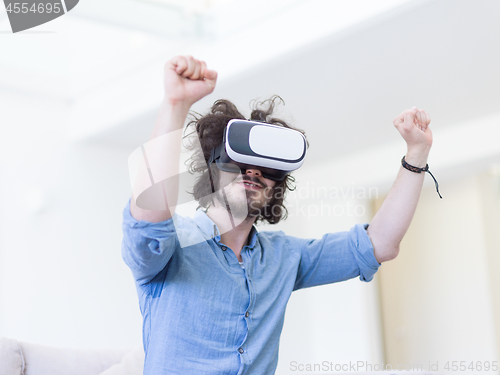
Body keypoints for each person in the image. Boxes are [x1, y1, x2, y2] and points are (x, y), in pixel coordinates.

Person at [121, 55, 434, 375]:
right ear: (214, 170)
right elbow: (148, 221)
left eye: (268, 167)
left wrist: (417, 154)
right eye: (240, 161)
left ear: (276, 187)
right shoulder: (175, 244)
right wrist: (176, 104)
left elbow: (380, 243)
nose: (254, 170)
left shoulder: (284, 257)